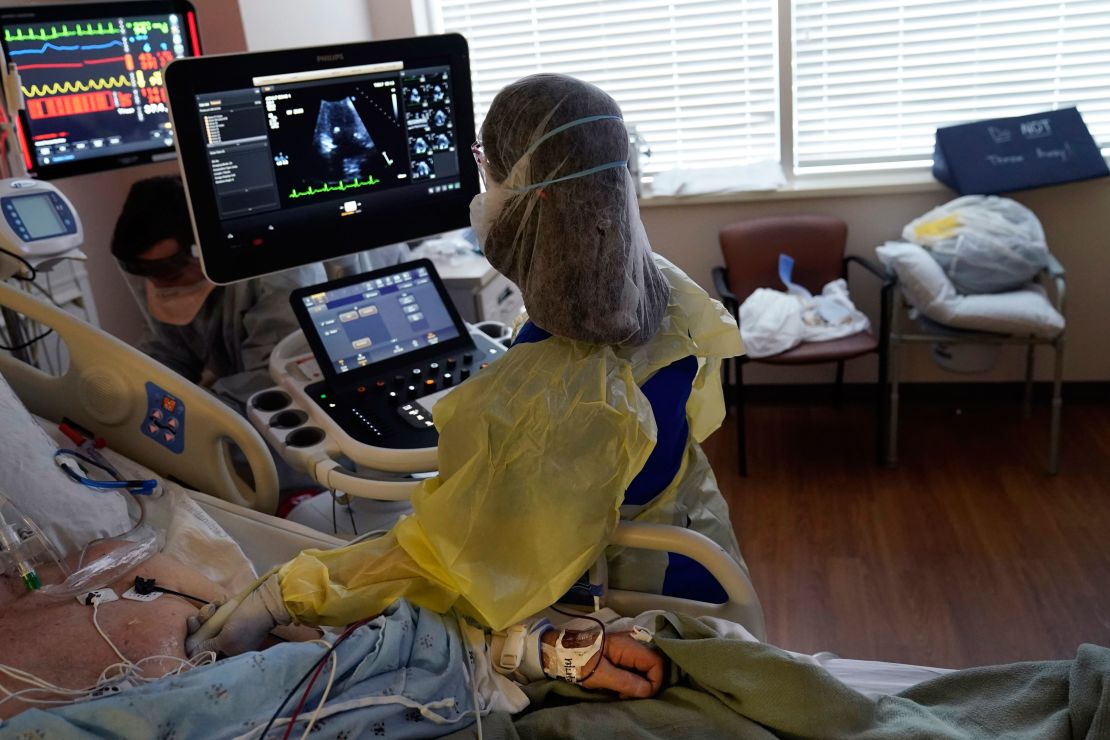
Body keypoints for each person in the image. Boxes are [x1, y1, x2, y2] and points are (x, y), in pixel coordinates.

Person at [187, 73, 748, 659]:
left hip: (634, 603)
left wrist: (283, 596)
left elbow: (447, 559)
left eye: (487, 169)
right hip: (693, 544)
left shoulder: (567, 384)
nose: (483, 189)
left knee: (329, 523)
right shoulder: (656, 285)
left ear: (534, 196)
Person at [110, 175, 326, 410]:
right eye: (144, 271)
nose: (159, 285)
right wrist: (134, 392)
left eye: (167, 271)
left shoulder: (279, 275)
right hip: (234, 396)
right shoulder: (165, 279)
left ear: (203, 249)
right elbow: (168, 352)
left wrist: (194, 409)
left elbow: (273, 381)